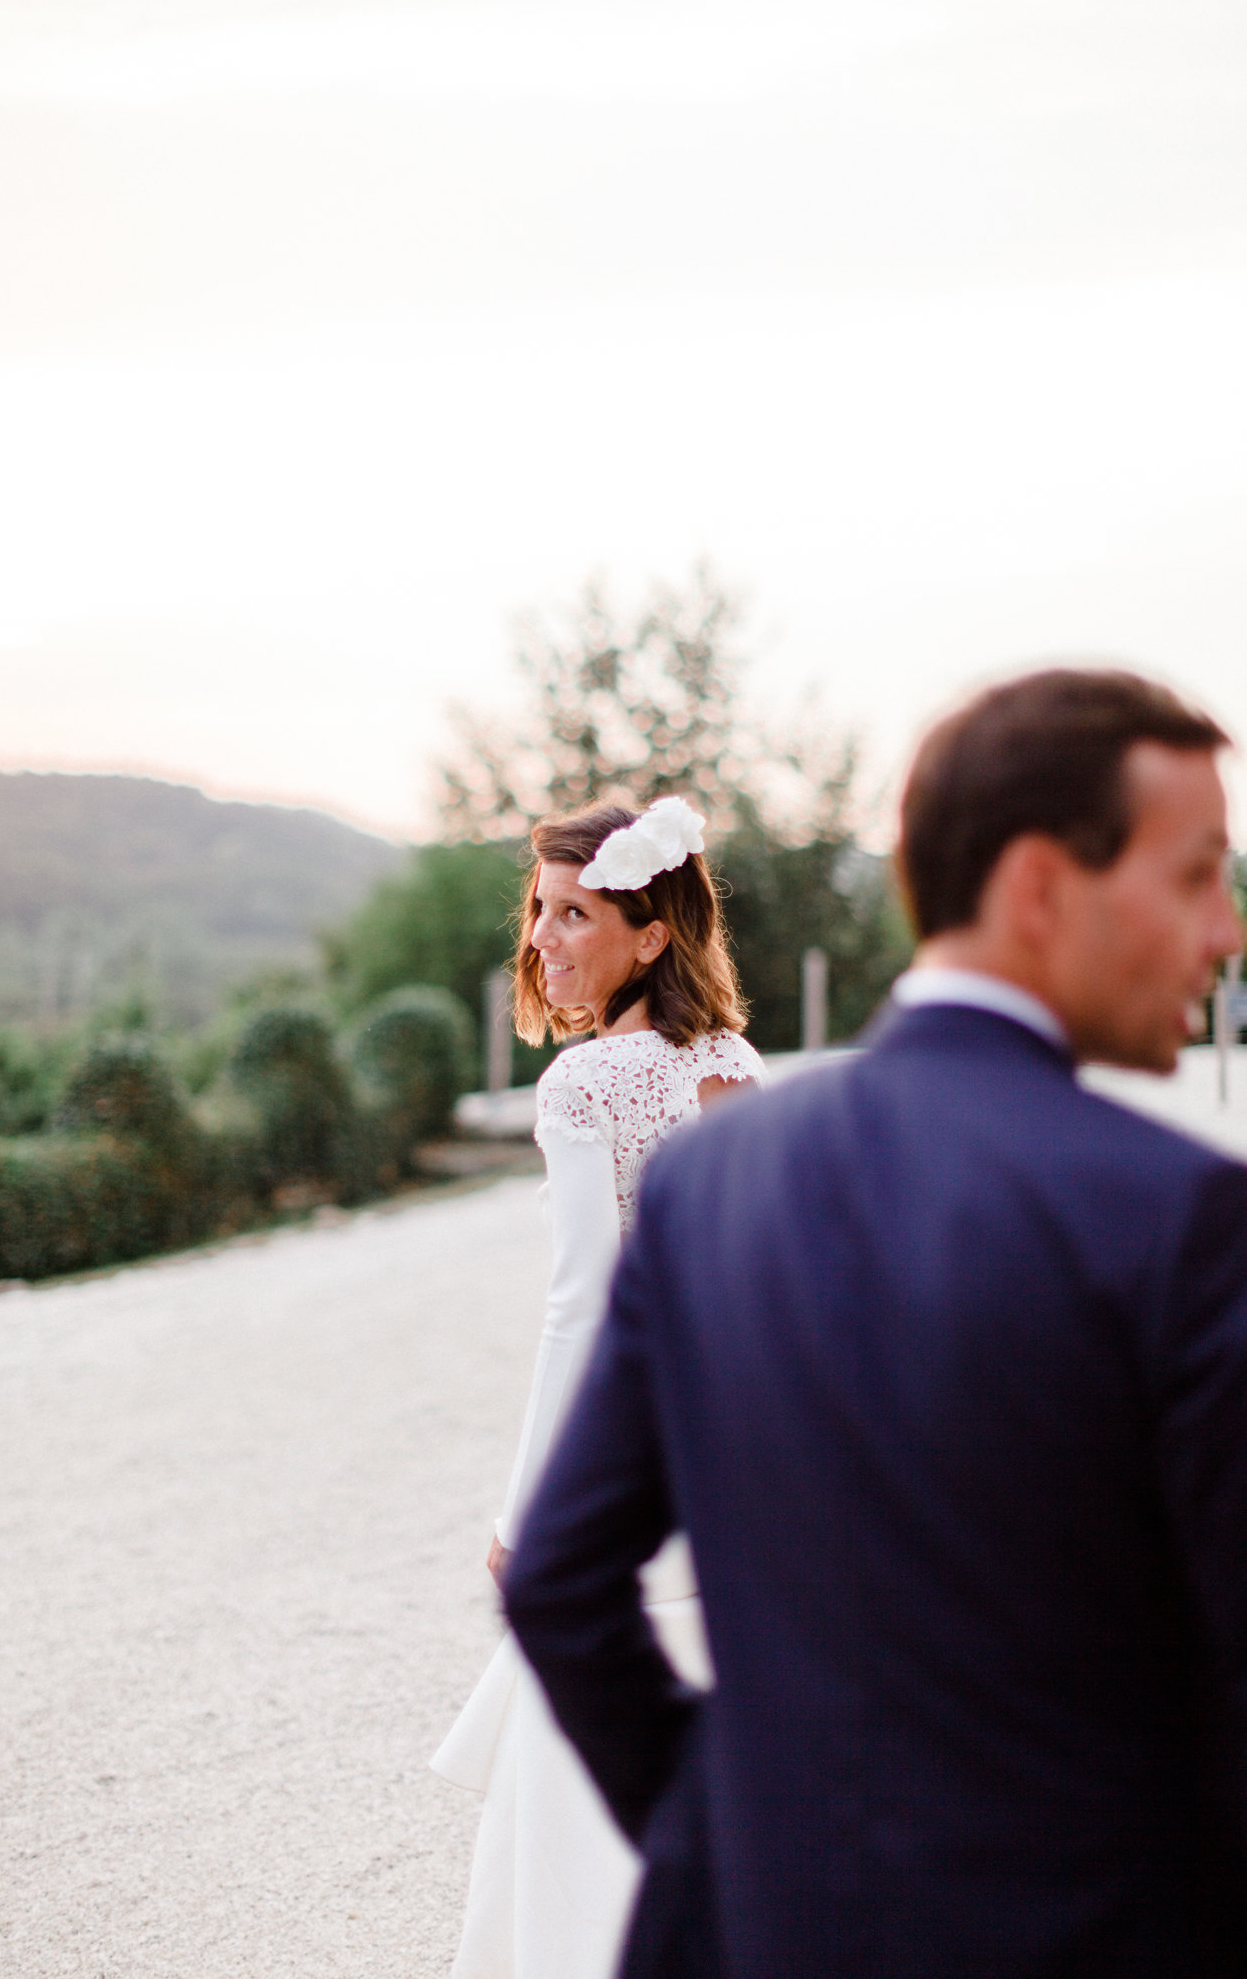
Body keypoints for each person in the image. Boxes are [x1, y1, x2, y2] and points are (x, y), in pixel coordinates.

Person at [505, 669, 1247, 1979]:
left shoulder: (705, 1184)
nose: (1229, 930)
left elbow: (561, 1586)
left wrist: (714, 1834)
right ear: (1036, 886)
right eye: (1195, 875)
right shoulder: (1181, 1218)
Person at [432, 795, 764, 1979]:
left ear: (652, 932)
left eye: (575, 912)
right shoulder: (729, 1062)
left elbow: (580, 1307)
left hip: (640, 1455)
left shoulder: (583, 1087)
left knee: (584, 1735)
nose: (543, 937)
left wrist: (534, 1513)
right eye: (538, 910)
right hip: (737, 1456)